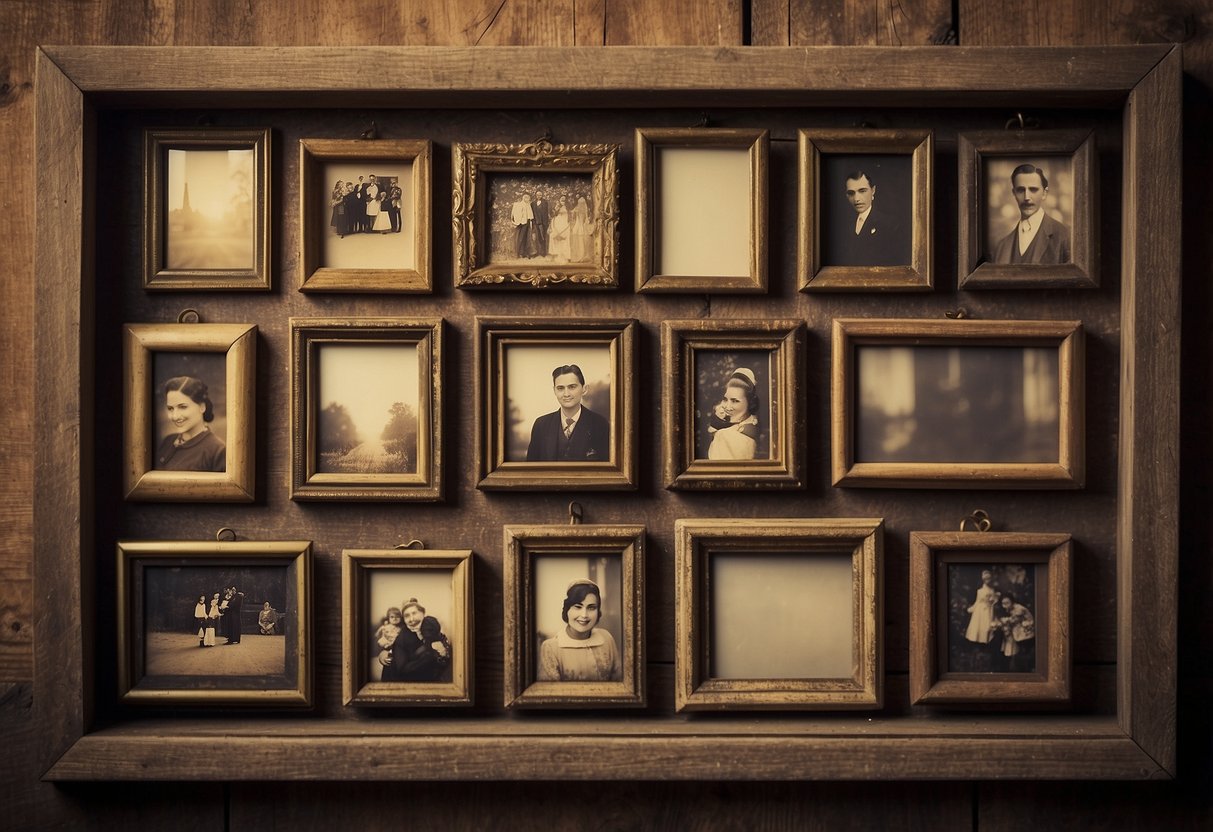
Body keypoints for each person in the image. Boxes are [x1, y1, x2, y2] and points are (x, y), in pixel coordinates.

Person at [538, 579, 621, 682]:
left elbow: (618, 681)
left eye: (591, 608)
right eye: (578, 607)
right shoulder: (551, 648)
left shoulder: (606, 638)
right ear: (567, 610)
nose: (584, 615)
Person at [525, 364, 610, 462]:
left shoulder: (600, 424)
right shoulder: (541, 425)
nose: (566, 394)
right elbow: (531, 470)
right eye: (560, 388)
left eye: (572, 387)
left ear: (584, 389)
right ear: (554, 391)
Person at [990, 163, 1071, 265]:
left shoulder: (1064, 236)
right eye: (1020, 190)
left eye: (1033, 189)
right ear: (1014, 193)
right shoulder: (1001, 247)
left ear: (1044, 193)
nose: (1027, 197)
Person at [832, 171, 907, 266]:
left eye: (862, 191)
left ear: (873, 190)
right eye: (851, 193)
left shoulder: (890, 224)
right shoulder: (840, 224)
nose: (856, 199)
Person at [154, 376, 226, 472]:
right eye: (170, 408)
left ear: (202, 407)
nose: (175, 416)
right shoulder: (168, 441)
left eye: (183, 407)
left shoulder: (218, 451)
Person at [381, 598, 449, 682]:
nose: (411, 619)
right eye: (407, 616)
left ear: (423, 613)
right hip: (398, 679)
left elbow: (440, 645)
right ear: (404, 620)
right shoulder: (402, 636)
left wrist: (442, 652)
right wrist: (383, 653)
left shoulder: (430, 625)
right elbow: (402, 669)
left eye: (414, 613)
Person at [706, 368, 759, 460]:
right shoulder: (753, 425)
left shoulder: (724, 436)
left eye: (735, 401)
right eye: (725, 399)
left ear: (750, 403)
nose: (727, 406)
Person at [993, 592, 1036, 672]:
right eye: (1003, 603)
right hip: (1016, 628)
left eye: (1007, 603)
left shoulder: (1018, 609)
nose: (1005, 606)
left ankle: (1023, 666)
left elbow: (1014, 620)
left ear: (1012, 602)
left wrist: (1003, 622)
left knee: (1021, 647)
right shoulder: (1007, 609)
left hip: (1025, 629)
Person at [963, 569, 999, 650]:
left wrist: (993, 600)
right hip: (980, 610)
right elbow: (977, 601)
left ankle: (986, 644)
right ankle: (979, 646)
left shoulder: (992, 590)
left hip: (989, 610)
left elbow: (994, 600)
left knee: (987, 626)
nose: (987, 581)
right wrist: (971, 609)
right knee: (979, 626)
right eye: (986, 579)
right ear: (983, 580)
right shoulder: (980, 591)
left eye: (989, 579)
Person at [511, 193, 534, 258]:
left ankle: (526, 253)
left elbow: (530, 215)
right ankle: (518, 253)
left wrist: (530, 222)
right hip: (521, 223)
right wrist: (518, 222)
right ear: (523, 197)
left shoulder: (529, 205)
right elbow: (514, 214)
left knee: (528, 239)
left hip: (528, 223)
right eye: (525, 197)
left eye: (528, 197)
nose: (527, 199)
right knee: (520, 239)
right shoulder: (518, 204)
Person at [570, 196, 592, 262]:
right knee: (576, 241)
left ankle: (582, 256)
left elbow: (586, 219)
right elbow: (572, 216)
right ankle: (576, 256)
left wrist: (584, 224)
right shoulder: (576, 209)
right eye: (580, 203)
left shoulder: (585, 210)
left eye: (582, 203)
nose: (581, 204)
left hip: (581, 227)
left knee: (582, 241)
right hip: (577, 226)